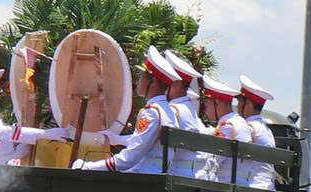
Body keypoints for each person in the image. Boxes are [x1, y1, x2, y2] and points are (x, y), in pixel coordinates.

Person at [94, 47, 183, 175]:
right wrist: (117, 139)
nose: (138, 81)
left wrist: (87, 166)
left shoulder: (151, 112)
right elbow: (144, 141)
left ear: (152, 82)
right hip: (155, 174)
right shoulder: (167, 111)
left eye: (142, 77)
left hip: (143, 178)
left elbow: (128, 160)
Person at [194, 73, 242, 183]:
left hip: (227, 183)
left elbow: (211, 158)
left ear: (217, 102)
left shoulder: (227, 126)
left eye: (206, 106)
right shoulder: (237, 122)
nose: (205, 110)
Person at [235, 77, 279, 189]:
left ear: (248, 104)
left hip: (253, 185)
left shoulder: (248, 128)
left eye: (240, 102)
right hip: (266, 186)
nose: (238, 106)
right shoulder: (264, 128)